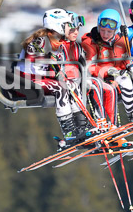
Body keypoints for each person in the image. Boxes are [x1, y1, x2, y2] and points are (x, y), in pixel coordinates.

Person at [16, 8, 90, 142]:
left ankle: (81, 126)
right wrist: (52, 66)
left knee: (73, 86)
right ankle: (69, 132)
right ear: (58, 25)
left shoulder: (58, 41)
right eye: (67, 25)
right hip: (25, 80)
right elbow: (34, 63)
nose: (69, 28)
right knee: (61, 88)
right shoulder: (41, 41)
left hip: (39, 79)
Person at [59, 11, 119, 129]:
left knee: (110, 89)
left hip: (81, 79)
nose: (76, 32)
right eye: (72, 30)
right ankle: (99, 121)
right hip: (73, 81)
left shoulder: (75, 45)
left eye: (77, 29)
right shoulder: (60, 45)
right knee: (95, 84)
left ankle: (112, 125)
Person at [81, 8, 133, 123]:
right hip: (98, 78)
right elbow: (89, 65)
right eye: (102, 30)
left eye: (109, 32)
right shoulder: (90, 42)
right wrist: (107, 71)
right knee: (110, 89)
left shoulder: (121, 41)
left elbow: (124, 59)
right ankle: (107, 123)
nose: (105, 34)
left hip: (116, 75)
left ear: (115, 31)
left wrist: (130, 65)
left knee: (128, 81)